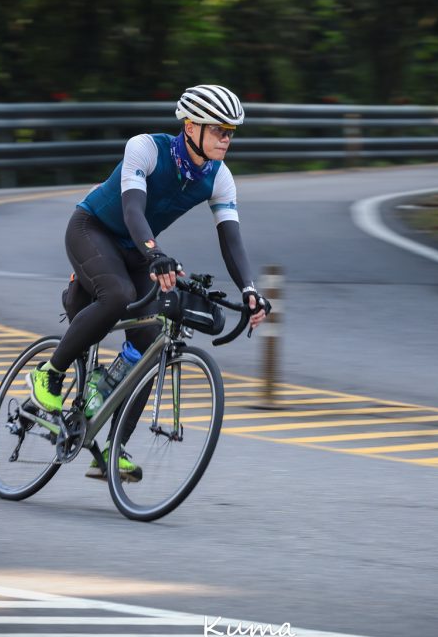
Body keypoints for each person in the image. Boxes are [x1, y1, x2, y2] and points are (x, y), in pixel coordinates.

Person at [28, 84, 269, 481]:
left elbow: (231, 237)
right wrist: (156, 254)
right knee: (118, 294)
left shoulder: (219, 177)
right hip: (94, 230)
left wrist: (249, 289)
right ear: (191, 126)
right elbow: (132, 209)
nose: (227, 138)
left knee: (152, 340)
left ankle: (111, 447)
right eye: (219, 129)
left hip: (137, 250)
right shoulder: (146, 148)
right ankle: (49, 374)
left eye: (231, 132)